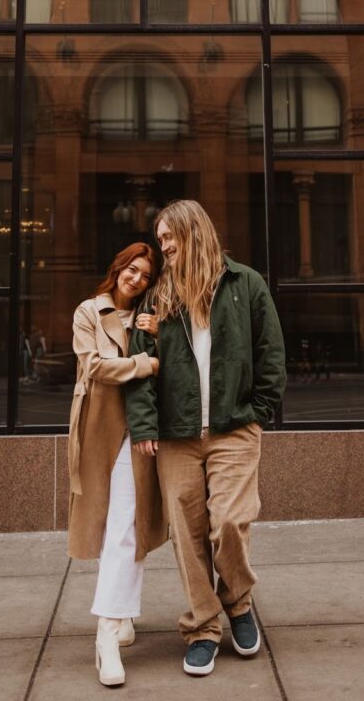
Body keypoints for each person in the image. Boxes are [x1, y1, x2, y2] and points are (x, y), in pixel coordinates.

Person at [125, 200, 286, 677]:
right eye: (161, 239)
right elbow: (140, 367)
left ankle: (237, 602)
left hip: (234, 429)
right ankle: (202, 627)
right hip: (176, 436)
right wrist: (145, 425)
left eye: (170, 236)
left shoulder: (246, 284)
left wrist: (256, 413)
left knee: (230, 523)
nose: (164, 246)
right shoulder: (158, 297)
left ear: (194, 231)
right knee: (188, 536)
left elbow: (271, 355)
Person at [68, 243, 167, 688]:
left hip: (141, 431)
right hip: (99, 429)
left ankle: (108, 631)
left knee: (130, 524)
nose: (137, 278)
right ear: (118, 268)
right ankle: (120, 617)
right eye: (132, 269)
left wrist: (160, 334)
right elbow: (94, 368)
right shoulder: (89, 311)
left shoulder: (153, 315)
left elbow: (175, 364)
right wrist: (145, 361)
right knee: (113, 526)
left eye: (146, 274)